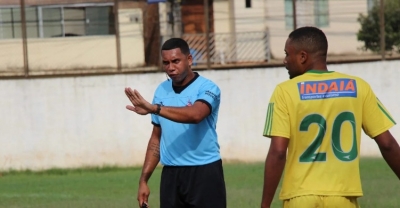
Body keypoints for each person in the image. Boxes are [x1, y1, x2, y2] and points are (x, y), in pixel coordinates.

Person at [260, 26, 400, 208]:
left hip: (300, 197)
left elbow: (278, 152)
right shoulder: (358, 87)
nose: (285, 61)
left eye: (288, 54)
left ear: (302, 57)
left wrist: (265, 205)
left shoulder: (284, 91)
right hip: (343, 197)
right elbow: (388, 144)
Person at [125, 38, 226, 208]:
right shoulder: (161, 90)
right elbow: (156, 138)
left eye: (175, 61)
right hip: (171, 175)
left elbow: (196, 115)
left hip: (205, 173)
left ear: (189, 60)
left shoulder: (208, 88)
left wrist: (155, 108)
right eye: (166, 63)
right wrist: (144, 180)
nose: (170, 68)